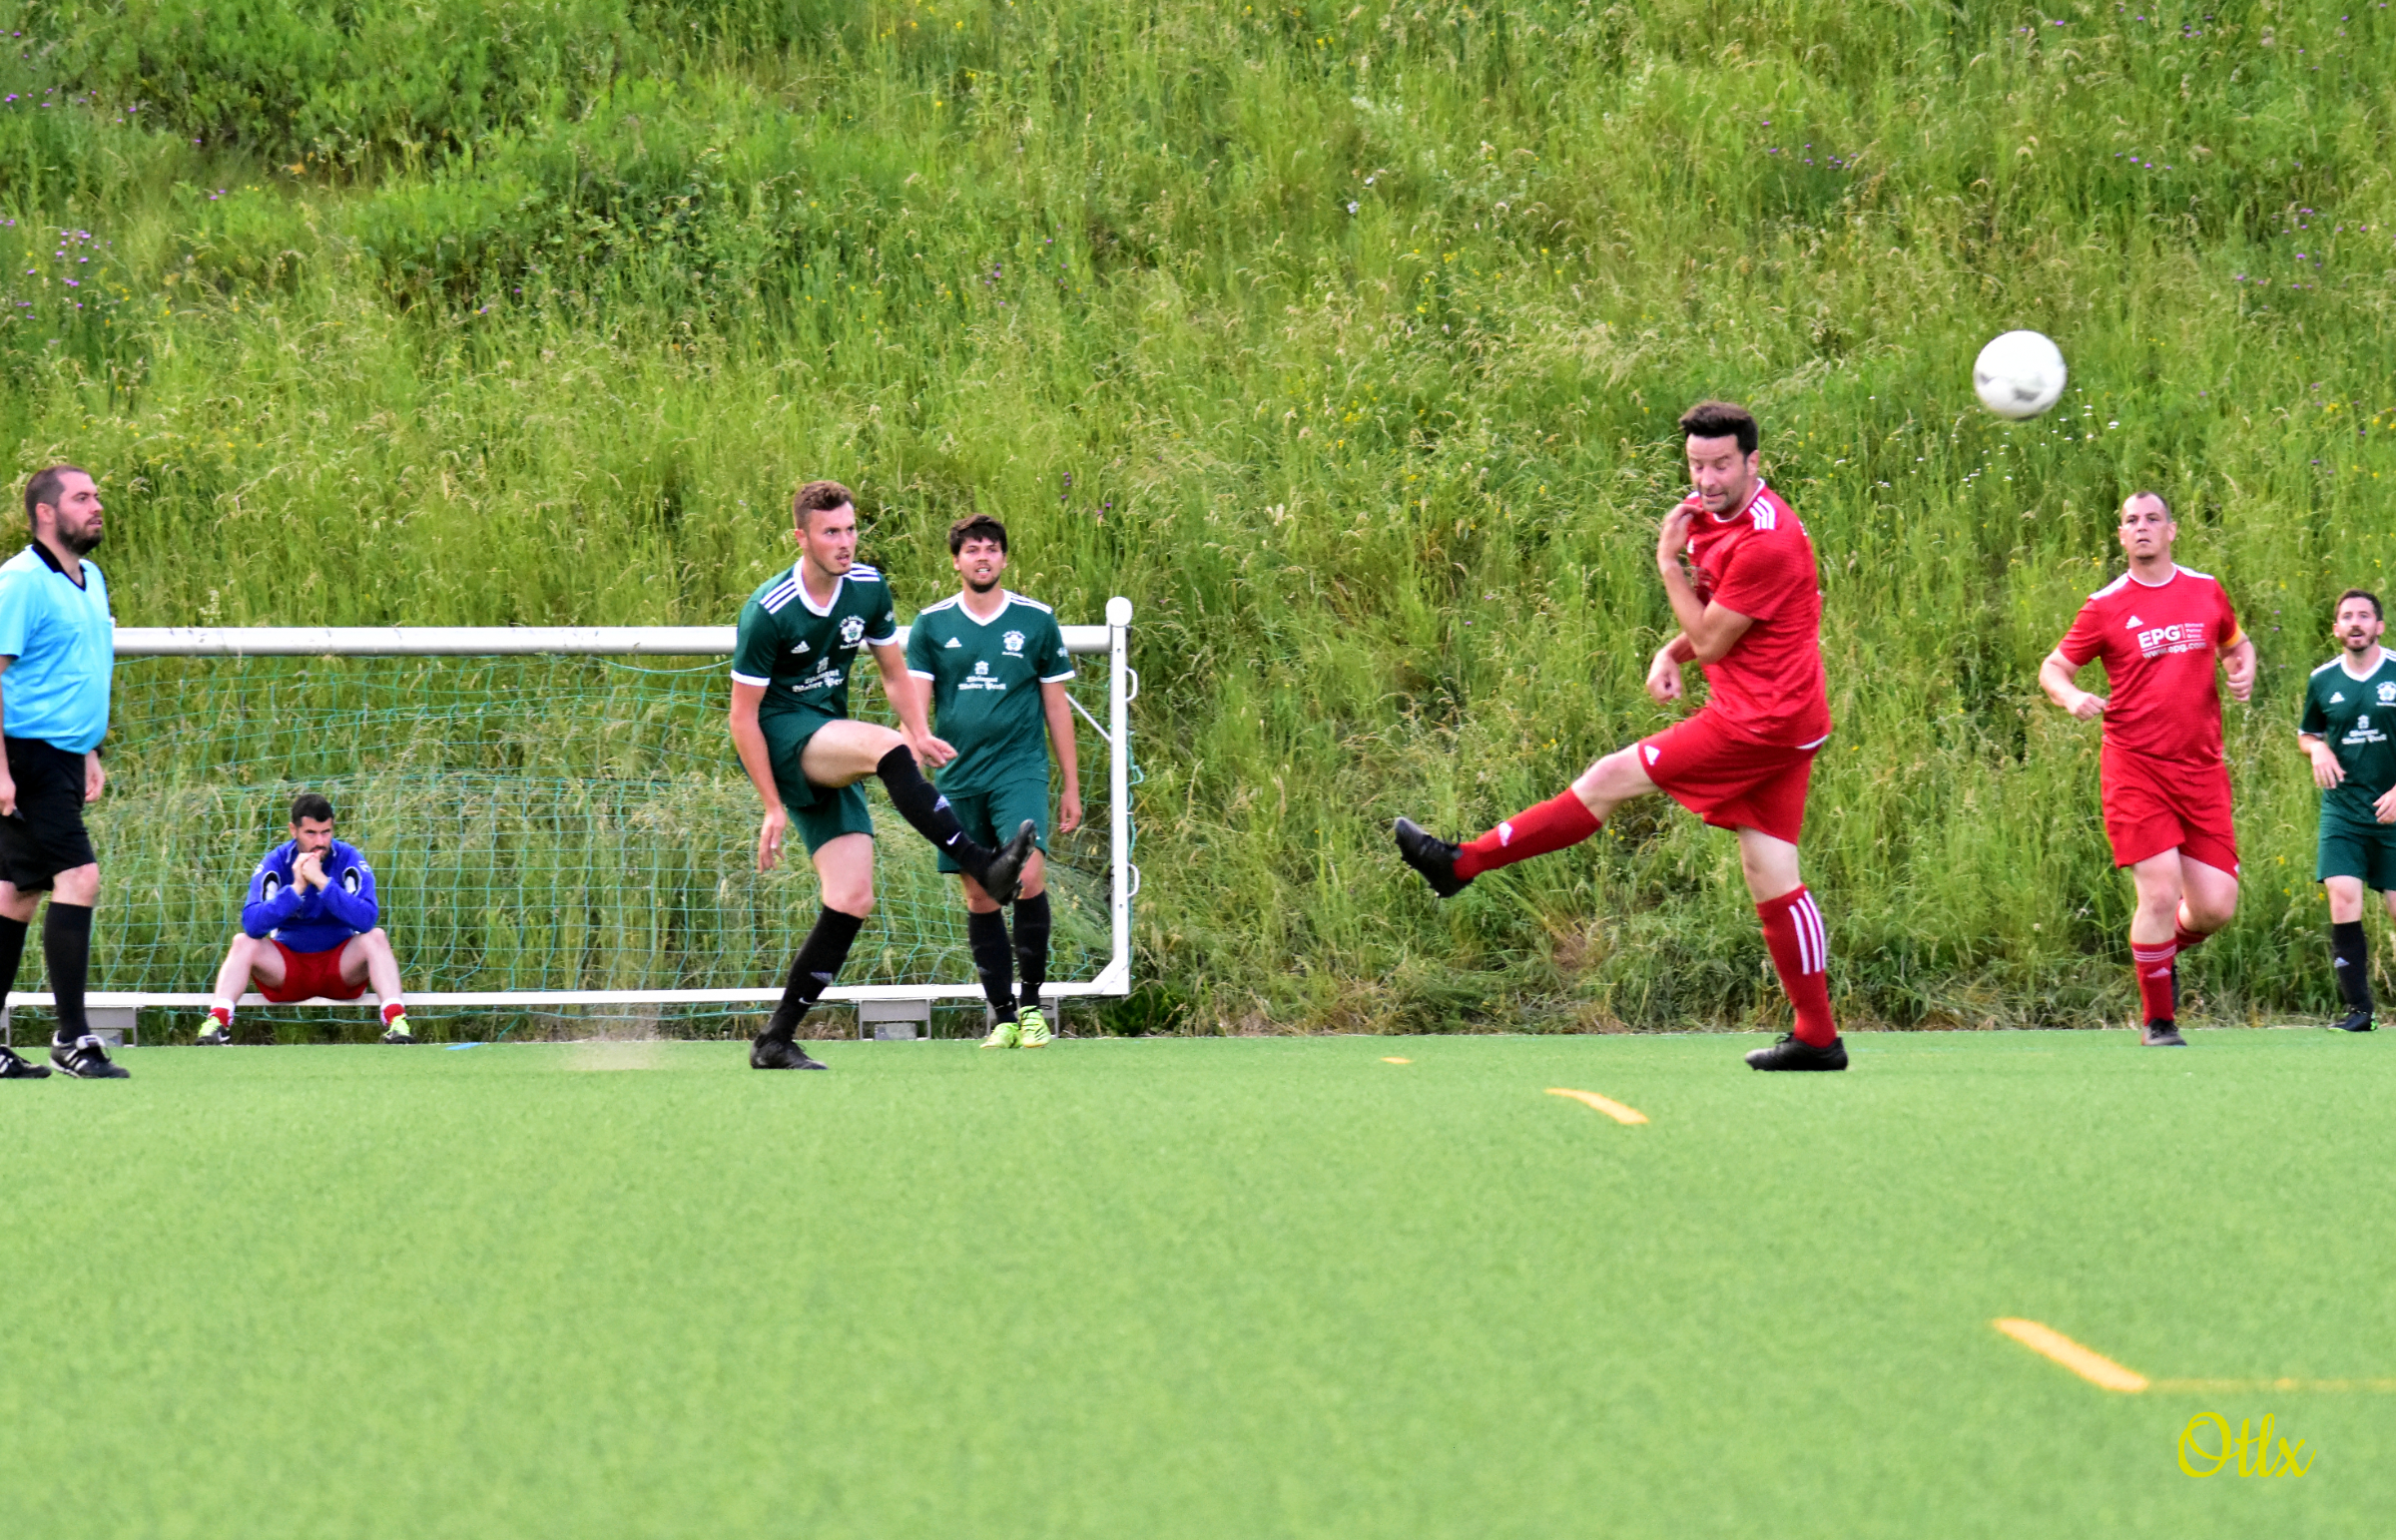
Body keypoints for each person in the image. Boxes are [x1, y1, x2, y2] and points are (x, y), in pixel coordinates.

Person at [1392, 402, 1847, 1071]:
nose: (1707, 479)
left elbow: (1713, 638)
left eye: (1722, 465)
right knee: (1770, 871)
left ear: (1755, 462)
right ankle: (1817, 1038)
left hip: (1759, 723)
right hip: (1788, 719)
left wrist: (1667, 565)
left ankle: (1461, 864)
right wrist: (1671, 651)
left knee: (1607, 779)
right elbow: (1723, 621)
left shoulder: (1766, 541)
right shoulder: (1711, 518)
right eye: (1696, 465)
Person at [730, 481, 1035, 1071]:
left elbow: (894, 673)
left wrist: (919, 729)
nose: (845, 542)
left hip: (827, 733)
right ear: (802, 538)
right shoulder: (769, 610)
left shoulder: (867, 587)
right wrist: (771, 805)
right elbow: (743, 718)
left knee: (852, 897)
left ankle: (775, 1040)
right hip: (783, 737)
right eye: (830, 532)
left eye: (850, 529)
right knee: (884, 746)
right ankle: (983, 863)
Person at [2039, 491, 2255, 1048]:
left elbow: (2236, 644)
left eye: (2152, 519)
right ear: (2121, 535)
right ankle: (2160, 1022)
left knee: (2214, 907)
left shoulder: (2205, 590)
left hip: (2202, 771)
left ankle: (2158, 953)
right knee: (2158, 895)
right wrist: (2071, 697)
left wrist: (2242, 669)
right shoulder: (2105, 605)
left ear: (2171, 530)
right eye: (2131, 521)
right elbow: (2054, 667)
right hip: (2135, 768)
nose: (2142, 527)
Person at [903, 515, 1081, 1049]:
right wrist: (911, 760)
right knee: (980, 895)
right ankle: (1002, 1016)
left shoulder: (1036, 620)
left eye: (992, 549)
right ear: (956, 561)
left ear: (1004, 558)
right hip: (958, 774)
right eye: (972, 550)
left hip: (1018, 769)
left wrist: (1071, 784)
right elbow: (915, 706)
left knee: (1027, 875)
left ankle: (1032, 1009)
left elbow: (1056, 706)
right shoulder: (931, 625)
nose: (983, 557)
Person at [0, 465, 121, 1080]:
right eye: (81, 497)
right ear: (46, 512)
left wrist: (88, 748)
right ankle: (72, 1038)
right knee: (79, 877)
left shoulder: (91, 578)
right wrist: (0, 771)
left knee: (16, 895)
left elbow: (77, 667)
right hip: (25, 757)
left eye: (96, 496)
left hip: (64, 758)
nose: (96, 505)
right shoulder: (20, 582)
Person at [196, 791, 412, 1045]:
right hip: (288, 970)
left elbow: (366, 920)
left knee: (376, 938)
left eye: (326, 832)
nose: (320, 842)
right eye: (311, 833)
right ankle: (217, 1024)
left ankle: (397, 1024)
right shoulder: (276, 862)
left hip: (340, 968)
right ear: (293, 830)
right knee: (242, 942)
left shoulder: (348, 858)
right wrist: (296, 888)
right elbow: (252, 925)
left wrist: (323, 882)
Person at [2297, 588, 2395, 1033]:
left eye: (2364, 615)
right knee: (2342, 894)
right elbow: (2308, 732)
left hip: (2392, 809)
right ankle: (2360, 1012)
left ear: (2379, 626)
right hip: (2343, 810)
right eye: (2347, 616)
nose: (2356, 623)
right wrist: (2316, 748)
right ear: (2336, 629)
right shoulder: (2322, 680)